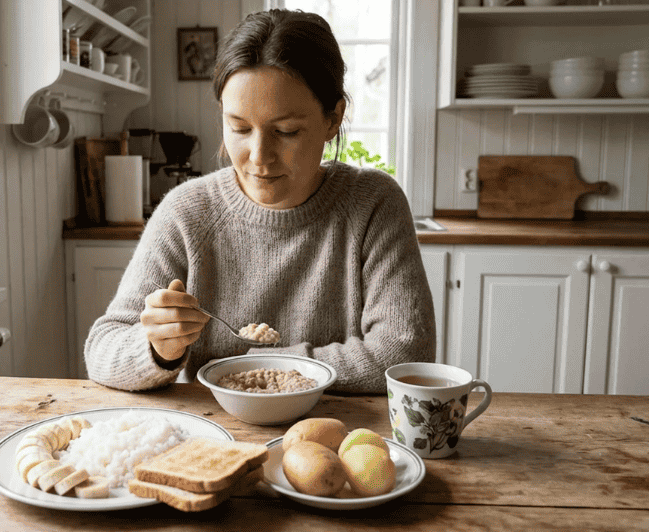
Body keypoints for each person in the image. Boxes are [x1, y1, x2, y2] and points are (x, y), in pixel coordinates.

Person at [84, 9, 435, 394]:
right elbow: (104, 348)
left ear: (333, 118)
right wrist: (157, 349)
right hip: (214, 436)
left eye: (286, 131)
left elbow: (405, 352)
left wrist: (263, 371)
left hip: (340, 441)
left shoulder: (374, 205)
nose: (259, 156)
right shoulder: (187, 212)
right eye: (239, 128)